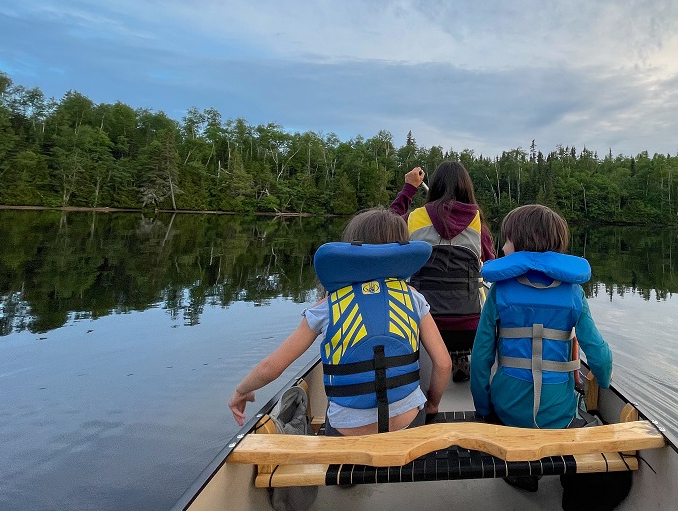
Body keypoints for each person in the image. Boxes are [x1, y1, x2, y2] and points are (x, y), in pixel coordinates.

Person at [228, 209, 452, 435]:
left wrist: (242, 390)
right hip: (408, 422)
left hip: (348, 431)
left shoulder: (326, 306)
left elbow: (271, 367)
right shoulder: (413, 297)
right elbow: (443, 364)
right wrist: (432, 405)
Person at [470, 204, 612, 431]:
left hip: (507, 411)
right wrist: (604, 382)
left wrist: (483, 409)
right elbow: (600, 355)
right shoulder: (574, 293)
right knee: (577, 407)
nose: (504, 248)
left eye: (506, 241)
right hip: (558, 415)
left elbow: (480, 359)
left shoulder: (499, 291)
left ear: (520, 245)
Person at [390, 162, 495, 382]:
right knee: (481, 291)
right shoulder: (479, 225)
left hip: (423, 327)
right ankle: (460, 356)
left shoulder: (413, 219)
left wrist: (409, 188)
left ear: (435, 186)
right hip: (470, 328)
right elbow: (492, 268)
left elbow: (385, 225)